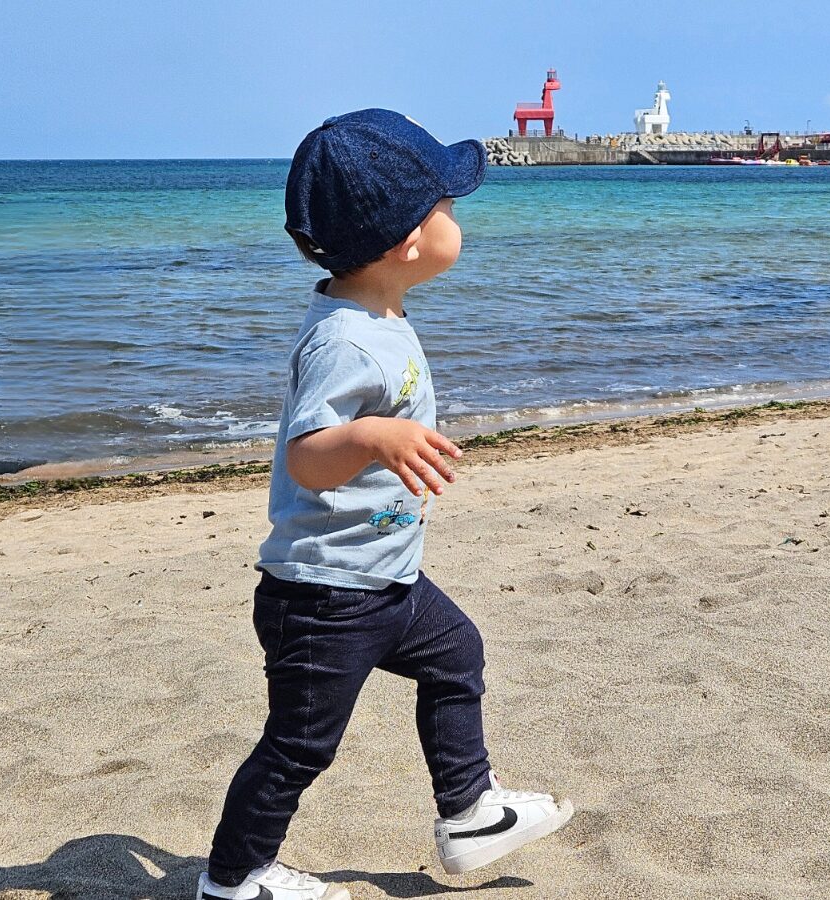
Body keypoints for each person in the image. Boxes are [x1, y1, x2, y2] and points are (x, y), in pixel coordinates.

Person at [196, 109, 573, 900]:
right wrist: (370, 435)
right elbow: (306, 458)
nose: (455, 220)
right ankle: (232, 881)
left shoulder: (380, 313)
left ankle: (468, 809)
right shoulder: (344, 340)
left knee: (457, 654)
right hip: (324, 596)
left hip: (387, 577)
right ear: (407, 241)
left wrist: (385, 438)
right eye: (447, 208)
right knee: (299, 746)